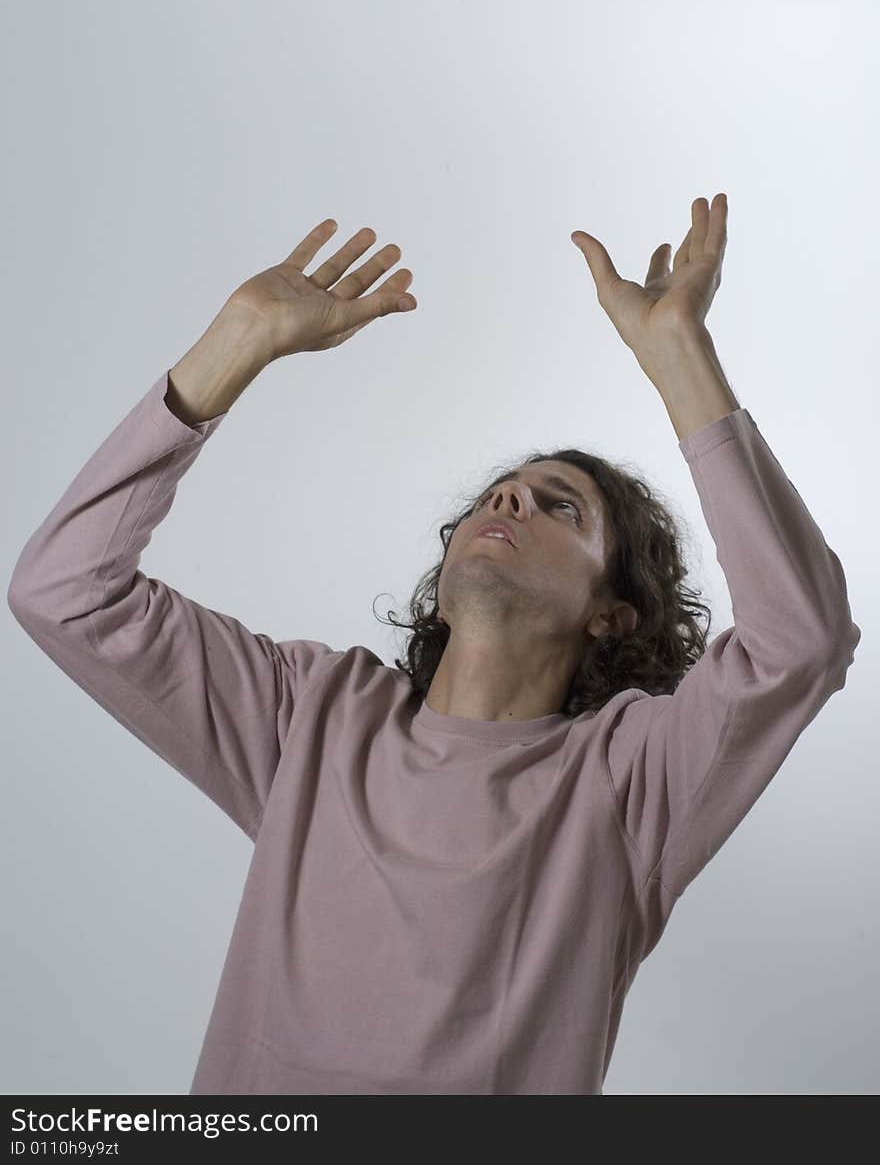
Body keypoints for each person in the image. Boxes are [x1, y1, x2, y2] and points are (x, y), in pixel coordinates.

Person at [7, 197, 861, 1095]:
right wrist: (240, 338)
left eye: (559, 505)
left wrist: (680, 354)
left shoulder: (629, 779)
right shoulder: (314, 715)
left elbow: (801, 639)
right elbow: (63, 588)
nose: (508, 502)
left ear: (612, 612)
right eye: (498, 493)